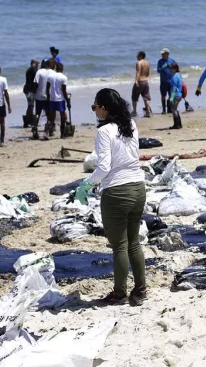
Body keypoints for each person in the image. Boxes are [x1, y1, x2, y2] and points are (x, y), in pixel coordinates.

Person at [74, 88, 146, 305]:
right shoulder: (131, 125)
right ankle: (140, 290)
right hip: (138, 188)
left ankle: (120, 293)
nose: (94, 110)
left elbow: (104, 166)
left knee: (120, 246)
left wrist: (87, 184)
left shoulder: (104, 132)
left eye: (95, 106)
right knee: (134, 243)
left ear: (104, 108)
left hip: (117, 191)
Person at [46, 63, 71, 139]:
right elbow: (64, 91)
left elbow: (47, 88)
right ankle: (62, 134)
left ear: (56, 68)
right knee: (62, 117)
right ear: (62, 69)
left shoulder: (50, 76)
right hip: (60, 99)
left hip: (52, 99)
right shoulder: (63, 77)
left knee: (51, 117)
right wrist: (68, 101)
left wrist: (48, 97)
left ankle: (50, 132)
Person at [32, 58, 55, 139]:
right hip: (49, 97)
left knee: (37, 113)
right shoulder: (53, 72)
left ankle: (35, 129)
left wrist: (34, 94)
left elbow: (35, 83)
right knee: (49, 115)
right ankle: (47, 132)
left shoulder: (39, 72)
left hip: (39, 96)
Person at [131, 51, 152, 118]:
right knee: (146, 97)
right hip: (145, 81)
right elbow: (148, 73)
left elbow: (138, 72)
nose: (137, 57)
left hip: (140, 81)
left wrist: (136, 81)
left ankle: (134, 111)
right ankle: (148, 112)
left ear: (141, 56)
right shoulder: (147, 63)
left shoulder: (139, 63)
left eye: (137, 55)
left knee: (134, 96)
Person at [156, 48, 175, 114]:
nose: (162, 55)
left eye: (163, 53)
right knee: (163, 96)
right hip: (163, 82)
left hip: (171, 81)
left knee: (171, 96)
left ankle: (170, 109)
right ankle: (164, 110)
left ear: (167, 54)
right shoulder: (160, 61)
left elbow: (176, 70)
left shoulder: (172, 60)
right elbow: (158, 70)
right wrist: (163, 68)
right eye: (161, 54)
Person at [23, 59, 39, 128]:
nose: (38, 66)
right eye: (37, 65)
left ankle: (28, 121)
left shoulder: (29, 70)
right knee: (31, 105)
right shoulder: (34, 69)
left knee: (30, 105)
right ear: (34, 63)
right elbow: (36, 80)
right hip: (30, 90)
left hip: (27, 89)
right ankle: (29, 121)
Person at [168, 62, 183, 130]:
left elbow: (174, 89)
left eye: (171, 68)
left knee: (173, 110)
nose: (170, 70)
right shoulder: (179, 75)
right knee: (175, 109)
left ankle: (176, 125)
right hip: (180, 94)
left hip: (175, 95)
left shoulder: (174, 77)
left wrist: (171, 98)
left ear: (175, 69)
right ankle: (179, 124)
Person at [0, 68, 12, 147]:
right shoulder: (3, 79)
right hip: (1, 104)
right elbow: (6, 94)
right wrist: (9, 106)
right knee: (2, 123)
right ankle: (2, 141)